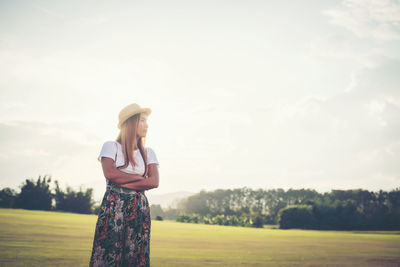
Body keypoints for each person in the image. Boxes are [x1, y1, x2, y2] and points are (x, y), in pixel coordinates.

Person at [89, 103, 160, 267]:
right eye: (142, 120)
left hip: (139, 209)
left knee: (136, 254)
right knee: (108, 251)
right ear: (130, 123)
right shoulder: (111, 146)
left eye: (146, 121)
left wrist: (122, 179)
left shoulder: (148, 152)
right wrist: (139, 178)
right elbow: (110, 174)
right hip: (113, 208)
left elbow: (154, 182)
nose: (146, 125)